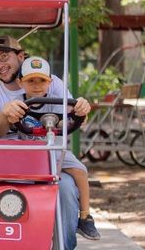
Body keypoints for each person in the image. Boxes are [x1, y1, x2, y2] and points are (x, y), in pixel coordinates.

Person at [0, 36, 95, 250]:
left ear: (21, 56)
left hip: (49, 161)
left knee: (66, 189)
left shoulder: (50, 84)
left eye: (5, 57)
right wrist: (6, 114)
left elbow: (68, 116)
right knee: (7, 197)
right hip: (12, 165)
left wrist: (81, 109)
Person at [15, 56, 101, 240]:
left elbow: (72, 118)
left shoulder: (57, 102)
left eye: (42, 81)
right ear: (20, 82)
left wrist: (79, 112)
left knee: (80, 170)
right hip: (27, 153)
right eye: (31, 81)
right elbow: (9, 121)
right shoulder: (17, 104)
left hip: (51, 150)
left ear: (50, 82)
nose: (37, 85)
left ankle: (85, 216)